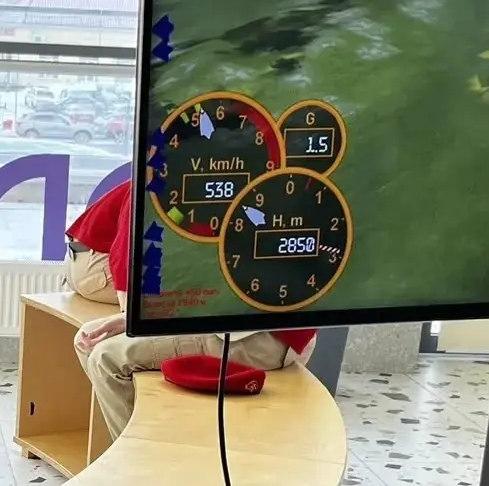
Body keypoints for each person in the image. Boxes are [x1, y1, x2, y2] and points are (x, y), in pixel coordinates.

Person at [69, 180, 317, 439]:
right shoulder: (209, 187)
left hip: (263, 336)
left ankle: (143, 459)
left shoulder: (259, 194)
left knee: (106, 358)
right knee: (87, 338)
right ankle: (132, 448)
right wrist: (135, 319)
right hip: (225, 319)